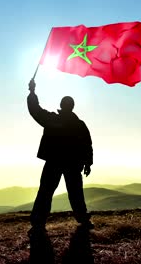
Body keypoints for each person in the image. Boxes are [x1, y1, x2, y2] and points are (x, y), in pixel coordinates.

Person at [27, 79, 94, 235]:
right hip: (72, 163)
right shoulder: (79, 124)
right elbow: (87, 145)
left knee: (46, 192)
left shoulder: (53, 120)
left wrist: (32, 92)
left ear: (62, 105)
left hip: (54, 161)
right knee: (75, 192)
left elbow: (35, 110)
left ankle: (38, 221)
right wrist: (88, 163)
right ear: (72, 106)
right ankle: (83, 219)